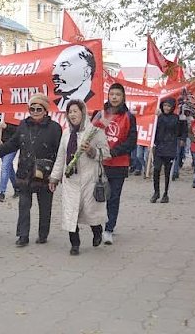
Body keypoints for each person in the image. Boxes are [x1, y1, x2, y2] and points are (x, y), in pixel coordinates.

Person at [0, 93, 62, 247]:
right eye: (32, 109)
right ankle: (23, 236)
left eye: (39, 109)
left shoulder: (55, 128)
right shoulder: (23, 125)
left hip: (45, 174)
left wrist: (57, 176)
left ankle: (43, 234)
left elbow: (60, 153)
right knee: (24, 205)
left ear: (45, 110)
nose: (35, 112)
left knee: (45, 207)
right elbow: (12, 144)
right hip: (25, 172)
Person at [49, 100, 110, 255]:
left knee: (90, 212)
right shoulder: (66, 134)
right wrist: (54, 178)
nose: (72, 115)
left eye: (75, 111)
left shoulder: (95, 132)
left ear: (83, 112)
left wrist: (92, 151)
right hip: (70, 181)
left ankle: (97, 231)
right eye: (70, 112)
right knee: (71, 213)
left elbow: (106, 154)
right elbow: (60, 158)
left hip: (90, 179)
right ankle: (74, 244)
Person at [92, 83, 137, 245]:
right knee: (98, 196)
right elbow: (90, 134)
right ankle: (96, 226)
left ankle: (109, 228)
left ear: (123, 97)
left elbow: (132, 141)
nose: (115, 97)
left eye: (118, 94)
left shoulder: (129, 117)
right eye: (112, 94)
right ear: (108, 96)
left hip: (119, 163)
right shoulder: (100, 114)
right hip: (99, 163)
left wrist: (114, 151)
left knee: (114, 197)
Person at [150, 98, 186, 203]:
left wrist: (183, 139)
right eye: (165, 105)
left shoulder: (177, 118)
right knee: (156, 170)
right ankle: (156, 192)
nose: (166, 108)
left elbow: (183, 131)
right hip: (159, 147)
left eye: (168, 106)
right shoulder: (158, 117)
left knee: (167, 172)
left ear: (172, 107)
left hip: (170, 147)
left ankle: (166, 193)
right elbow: (151, 128)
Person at [52, 45, 96, 111]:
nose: (54, 73)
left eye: (64, 66)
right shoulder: (53, 106)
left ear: (86, 72)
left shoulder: (95, 105)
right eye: (54, 67)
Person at [0, 119, 19, 202]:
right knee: (8, 167)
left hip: (12, 147)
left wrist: (7, 127)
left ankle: (1, 192)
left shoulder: (14, 118)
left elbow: (19, 132)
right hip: (2, 147)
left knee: (5, 166)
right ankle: (17, 188)